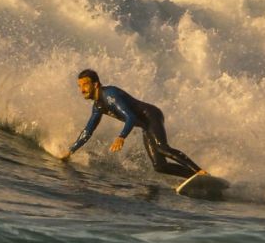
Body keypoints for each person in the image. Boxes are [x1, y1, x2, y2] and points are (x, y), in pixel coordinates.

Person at [61, 69, 207, 179]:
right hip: (145, 125)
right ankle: (193, 176)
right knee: (159, 166)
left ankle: (199, 171)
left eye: (85, 85)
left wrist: (121, 136)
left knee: (162, 148)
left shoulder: (110, 95)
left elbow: (130, 117)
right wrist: (71, 151)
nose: (82, 90)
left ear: (95, 84)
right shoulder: (98, 106)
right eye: (79, 86)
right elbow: (88, 131)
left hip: (151, 116)